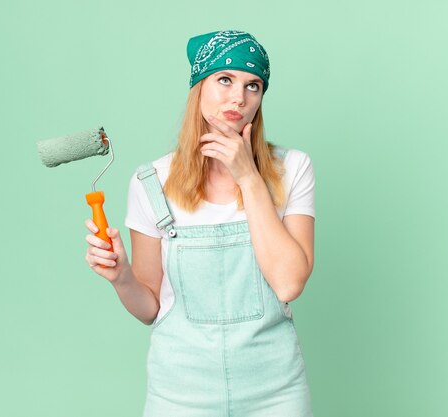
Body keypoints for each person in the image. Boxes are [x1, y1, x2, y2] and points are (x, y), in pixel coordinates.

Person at [84, 30, 315, 417]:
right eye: (224, 79)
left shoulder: (292, 169)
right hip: (179, 396)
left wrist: (248, 178)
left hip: (275, 393)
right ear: (198, 87)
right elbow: (150, 307)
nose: (238, 97)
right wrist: (121, 275)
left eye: (253, 85)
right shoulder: (151, 182)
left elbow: (290, 283)